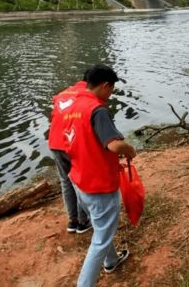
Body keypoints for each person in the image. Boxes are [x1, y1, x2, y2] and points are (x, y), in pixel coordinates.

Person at [63, 64, 137, 287]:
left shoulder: (74, 103)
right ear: (105, 85)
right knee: (100, 239)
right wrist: (130, 149)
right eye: (111, 89)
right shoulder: (98, 110)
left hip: (78, 178)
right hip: (98, 184)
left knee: (100, 224)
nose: (110, 94)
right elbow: (114, 145)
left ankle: (112, 261)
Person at [48, 71, 91, 234]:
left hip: (54, 141)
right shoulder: (88, 95)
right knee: (79, 181)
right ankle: (82, 221)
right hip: (71, 141)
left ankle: (72, 221)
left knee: (65, 181)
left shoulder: (65, 92)